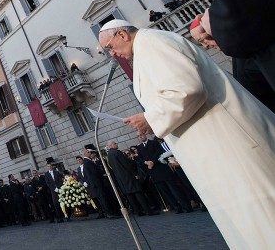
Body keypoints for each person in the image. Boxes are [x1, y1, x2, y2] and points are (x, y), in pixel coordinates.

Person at [100, 19, 275, 248]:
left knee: (262, 217)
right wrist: (152, 120)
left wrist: (150, 118)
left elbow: (187, 90)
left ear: (122, 34)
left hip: (228, 144)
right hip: (213, 148)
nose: (113, 54)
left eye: (110, 47)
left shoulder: (152, 42)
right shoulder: (145, 49)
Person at [136, 133, 192, 214]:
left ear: (145, 135)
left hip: (162, 169)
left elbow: (159, 152)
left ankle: (186, 206)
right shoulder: (139, 147)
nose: (140, 136)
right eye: (138, 136)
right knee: (166, 192)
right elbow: (140, 159)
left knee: (175, 189)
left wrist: (152, 161)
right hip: (153, 172)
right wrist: (146, 163)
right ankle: (177, 207)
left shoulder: (153, 142)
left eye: (141, 135)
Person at [105, 139, 155, 216]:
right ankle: (148, 211)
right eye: (115, 143)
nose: (116, 144)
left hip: (121, 179)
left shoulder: (109, 155)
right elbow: (126, 164)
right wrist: (135, 173)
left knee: (130, 196)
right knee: (138, 193)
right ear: (111, 145)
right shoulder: (117, 152)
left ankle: (138, 212)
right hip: (128, 176)